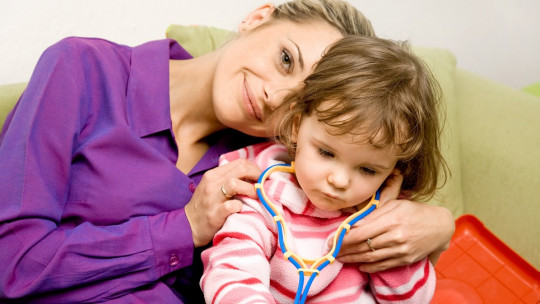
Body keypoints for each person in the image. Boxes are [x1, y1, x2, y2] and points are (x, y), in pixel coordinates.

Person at [0, 0, 453, 303]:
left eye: (299, 101)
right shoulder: (83, 68)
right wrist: (186, 227)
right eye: (286, 59)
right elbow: (13, 262)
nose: (276, 95)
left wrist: (438, 226)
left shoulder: (276, 167)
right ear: (258, 17)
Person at [200, 35, 446, 303]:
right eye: (326, 153)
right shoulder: (261, 197)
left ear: (393, 171)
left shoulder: (390, 216)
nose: (339, 180)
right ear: (296, 127)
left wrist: (384, 226)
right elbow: (231, 274)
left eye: (367, 170)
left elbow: (413, 298)